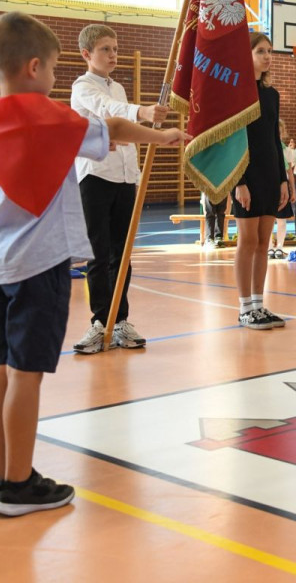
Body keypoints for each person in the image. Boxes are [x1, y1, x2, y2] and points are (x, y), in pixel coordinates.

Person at [0, 12, 187, 516]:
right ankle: (19, 484)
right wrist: (164, 137)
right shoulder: (54, 119)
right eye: (52, 68)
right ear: (35, 67)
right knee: (27, 375)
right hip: (38, 268)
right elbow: (114, 127)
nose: (53, 78)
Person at [70, 24, 167, 354]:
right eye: (105, 49)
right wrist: (141, 112)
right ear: (87, 54)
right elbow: (107, 113)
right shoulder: (83, 87)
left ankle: (120, 319)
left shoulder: (120, 88)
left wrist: (135, 170)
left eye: (115, 49)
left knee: (122, 254)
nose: (113, 55)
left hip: (125, 179)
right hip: (95, 177)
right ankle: (100, 321)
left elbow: (124, 132)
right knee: (98, 254)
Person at [231, 32, 289, 329]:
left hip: (270, 173)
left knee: (264, 241)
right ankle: (244, 308)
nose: (267, 56)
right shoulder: (236, 92)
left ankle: (258, 304)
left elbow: (274, 140)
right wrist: (239, 181)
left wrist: (283, 179)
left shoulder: (272, 94)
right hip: (247, 173)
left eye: (270, 51)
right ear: (247, 55)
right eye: (261, 51)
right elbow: (232, 140)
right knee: (248, 240)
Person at [267, 118, 296, 259]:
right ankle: (269, 247)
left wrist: (293, 190)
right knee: (268, 219)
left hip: (282, 186)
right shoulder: (266, 148)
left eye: (279, 132)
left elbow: (289, 172)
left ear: (283, 133)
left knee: (281, 220)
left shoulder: (287, 151)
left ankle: (279, 247)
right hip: (268, 186)